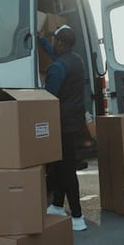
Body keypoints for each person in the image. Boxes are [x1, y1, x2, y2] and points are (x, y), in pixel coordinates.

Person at [38, 24, 87, 231]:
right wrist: (42, 40)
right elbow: (56, 56)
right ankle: (57, 205)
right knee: (59, 165)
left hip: (61, 124)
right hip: (74, 122)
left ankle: (78, 216)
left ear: (59, 42)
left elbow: (48, 99)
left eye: (54, 41)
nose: (52, 44)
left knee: (67, 169)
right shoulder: (76, 60)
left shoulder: (57, 68)